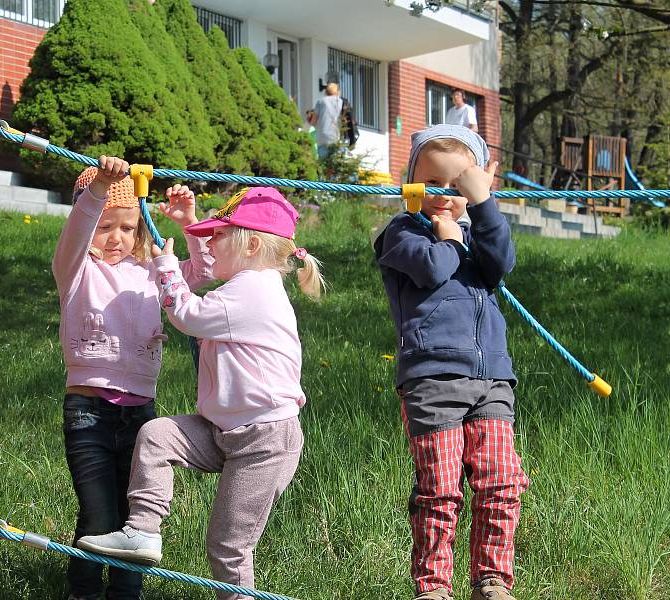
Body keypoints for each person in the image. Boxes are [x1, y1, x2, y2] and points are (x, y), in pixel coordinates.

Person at [77, 187, 326, 600]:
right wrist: (188, 230)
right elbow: (207, 273)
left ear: (251, 244)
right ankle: (142, 531)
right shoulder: (246, 284)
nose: (210, 244)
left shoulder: (255, 291)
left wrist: (166, 267)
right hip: (223, 429)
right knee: (158, 435)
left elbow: (187, 313)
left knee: (228, 546)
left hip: (264, 441)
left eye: (218, 235)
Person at [373, 125, 529, 600]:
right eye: (432, 185)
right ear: (410, 186)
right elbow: (434, 269)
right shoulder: (400, 234)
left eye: (456, 187)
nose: (444, 197)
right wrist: (448, 236)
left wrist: (482, 206)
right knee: (441, 489)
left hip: (492, 379)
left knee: (501, 481)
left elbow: (502, 261)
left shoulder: (477, 235)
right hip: (432, 379)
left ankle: (491, 580)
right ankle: (434, 587)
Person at [54, 155, 214, 600]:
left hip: (140, 413)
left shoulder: (150, 273)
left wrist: (188, 222)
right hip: (88, 412)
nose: (116, 238)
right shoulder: (75, 270)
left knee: (132, 518)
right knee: (98, 512)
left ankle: (126, 595)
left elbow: (200, 273)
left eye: (127, 228)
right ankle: (82, 593)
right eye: (106, 227)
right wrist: (100, 188)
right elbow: (79, 228)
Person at [307, 82, 344, 159]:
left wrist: (308, 119)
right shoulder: (341, 102)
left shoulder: (321, 101)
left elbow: (313, 122)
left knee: (324, 165)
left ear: (326, 91)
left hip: (323, 137)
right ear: (337, 91)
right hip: (335, 137)